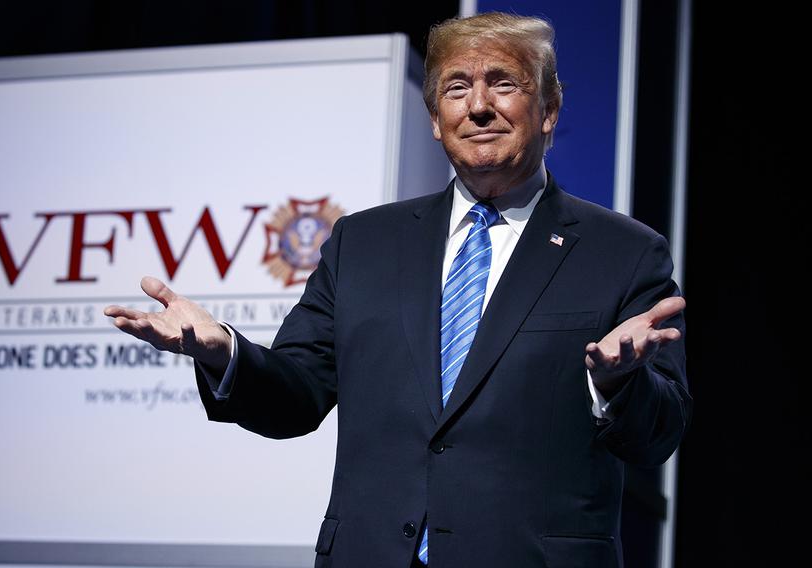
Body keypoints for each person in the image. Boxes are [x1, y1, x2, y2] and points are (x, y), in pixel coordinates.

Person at [105, 11, 691, 568]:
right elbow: (297, 396)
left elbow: (659, 435)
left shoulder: (624, 252)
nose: (479, 106)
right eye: (456, 88)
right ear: (435, 117)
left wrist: (617, 386)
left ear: (549, 108)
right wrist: (224, 353)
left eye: (503, 83)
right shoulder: (362, 243)